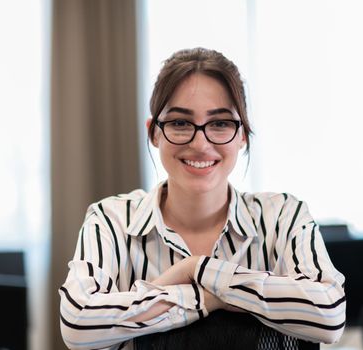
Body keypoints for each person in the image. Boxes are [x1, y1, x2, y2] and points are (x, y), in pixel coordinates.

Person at [59, 47, 346, 350]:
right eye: (180, 123)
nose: (200, 143)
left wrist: (199, 270)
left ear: (242, 135)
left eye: (220, 123)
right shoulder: (111, 220)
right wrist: (207, 296)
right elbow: (78, 325)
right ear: (154, 133)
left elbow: (328, 316)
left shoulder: (283, 216)